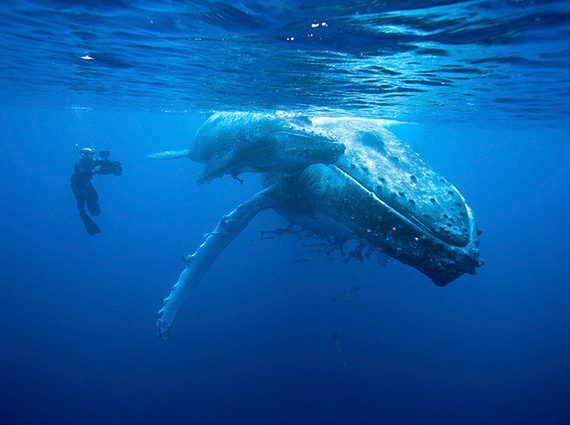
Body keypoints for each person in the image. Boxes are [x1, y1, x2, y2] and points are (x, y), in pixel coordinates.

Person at [70, 145, 122, 235]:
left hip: (86, 184)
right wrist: (93, 171)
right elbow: (82, 174)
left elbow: (102, 169)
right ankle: (88, 224)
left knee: (95, 204)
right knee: (81, 206)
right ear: (81, 154)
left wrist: (112, 165)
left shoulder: (92, 162)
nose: (86, 156)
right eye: (84, 154)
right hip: (77, 185)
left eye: (89, 154)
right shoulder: (79, 163)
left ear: (92, 154)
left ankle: (89, 209)